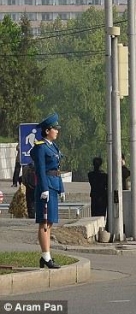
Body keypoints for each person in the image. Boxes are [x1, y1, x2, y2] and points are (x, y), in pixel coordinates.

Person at [31, 113, 64, 269]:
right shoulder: (40, 148)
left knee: (50, 221)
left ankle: (47, 255)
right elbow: (40, 170)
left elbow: (57, 169)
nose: (57, 131)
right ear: (47, 131)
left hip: (54, 185)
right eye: (55, 129)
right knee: (44, 222)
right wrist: (44, 188)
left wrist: (61, 188)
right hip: (46, 187)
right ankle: (45, 256)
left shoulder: (53, 146)